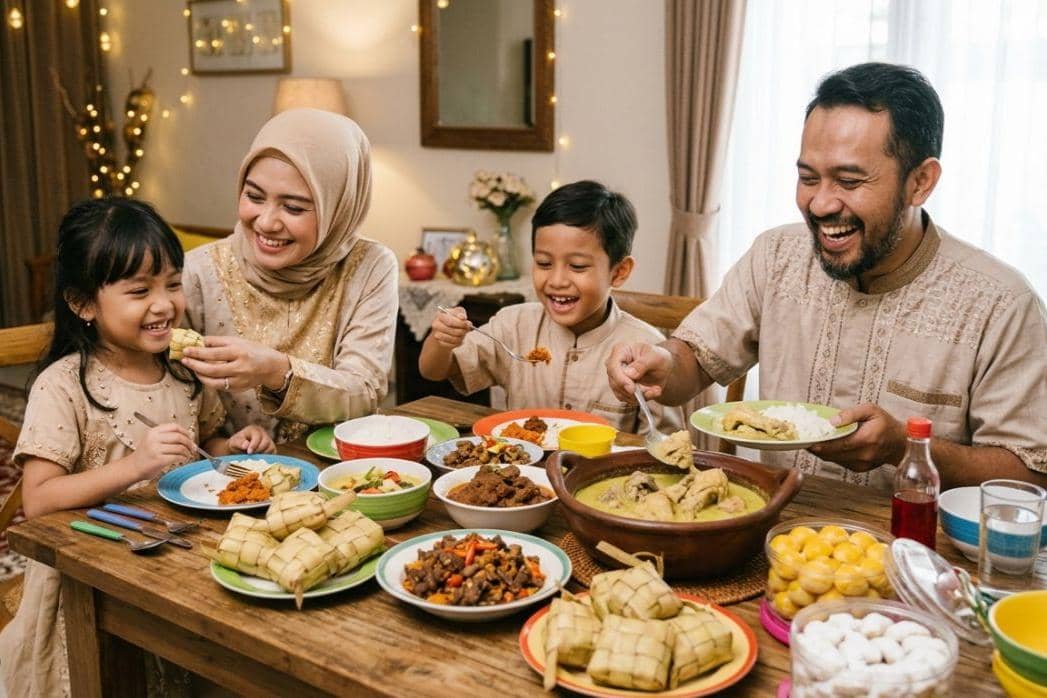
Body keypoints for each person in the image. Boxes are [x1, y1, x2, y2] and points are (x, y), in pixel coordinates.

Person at [607, 62, 1047, 491]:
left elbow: (1030, 474)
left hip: (916, 549)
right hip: (777, 532)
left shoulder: (999, 302)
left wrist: (907, 448)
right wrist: (660, 363)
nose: (819, 205)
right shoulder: (776, 256)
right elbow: (696, 359)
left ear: (920, 182)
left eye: (849, 181)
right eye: (808, 178)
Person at [0, 198, 273, 697]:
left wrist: (233, 445)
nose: (164, 303)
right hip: (92, 582)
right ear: (83, 304)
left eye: (172, 283)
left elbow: (204, 438)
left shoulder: (182, 370)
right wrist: (137, 464)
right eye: (139, 291)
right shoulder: (62, 387)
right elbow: (38, 498)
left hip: (176, 560)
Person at [179, 108, 398, 443]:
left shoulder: (369, 266)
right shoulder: (196, 273)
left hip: (342, 475)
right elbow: (173, 399)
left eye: (293, 208)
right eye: (253, 196)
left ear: (338, 206)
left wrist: (275, 370)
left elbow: (364, 392)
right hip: (220, 482)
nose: (267, 222)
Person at [420, 180, 684, 433]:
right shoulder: (513, 324)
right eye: (544, 263)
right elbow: (435, 370)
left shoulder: (647, 351)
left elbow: (666, 447)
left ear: (619, 272)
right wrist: (442, 341)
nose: (557, 281)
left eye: (578, 266)